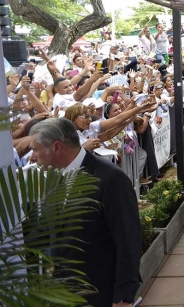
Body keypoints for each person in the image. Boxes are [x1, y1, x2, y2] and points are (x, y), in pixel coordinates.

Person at [29, 118, 141, 307]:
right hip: (63, 292)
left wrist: (124, 295)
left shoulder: (110, 178)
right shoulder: (51, 178)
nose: (32, 157)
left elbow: (128, 238)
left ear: (57, 147)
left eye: (36, 149)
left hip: (99, 292)